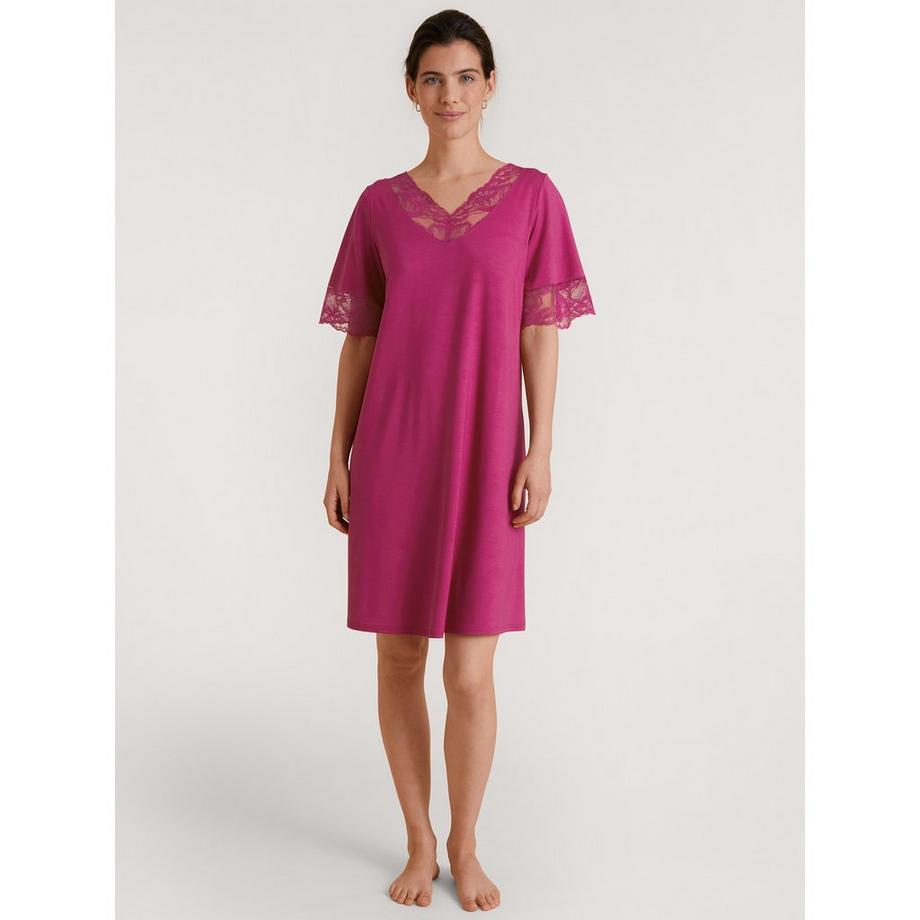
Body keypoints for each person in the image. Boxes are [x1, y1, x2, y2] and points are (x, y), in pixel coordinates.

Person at [319, 9, 595, 911]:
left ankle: (466, 844)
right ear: (410, 88)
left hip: (486, 453)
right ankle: (417, 839)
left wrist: (540, 447)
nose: (450, 94)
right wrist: (338, 456)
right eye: (433, 78)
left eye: (466, 77)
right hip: (394, 449)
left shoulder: (531, 196)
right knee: (399, 656)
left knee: (470, 672)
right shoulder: (378, 205)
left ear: (490, 85)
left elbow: (540, 331)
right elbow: (361, 338)